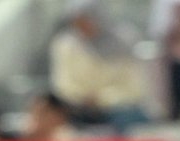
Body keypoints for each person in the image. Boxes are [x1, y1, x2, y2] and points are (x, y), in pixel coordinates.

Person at [50, 0, 151, 132]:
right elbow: (62, 84)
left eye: (86, 20)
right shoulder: (65, 46)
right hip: (78, 109)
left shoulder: (123, 41)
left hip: (117, 109)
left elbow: (133, 87)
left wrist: (102, 99)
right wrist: (83, 98)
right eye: (77, 21)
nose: (81, 26)